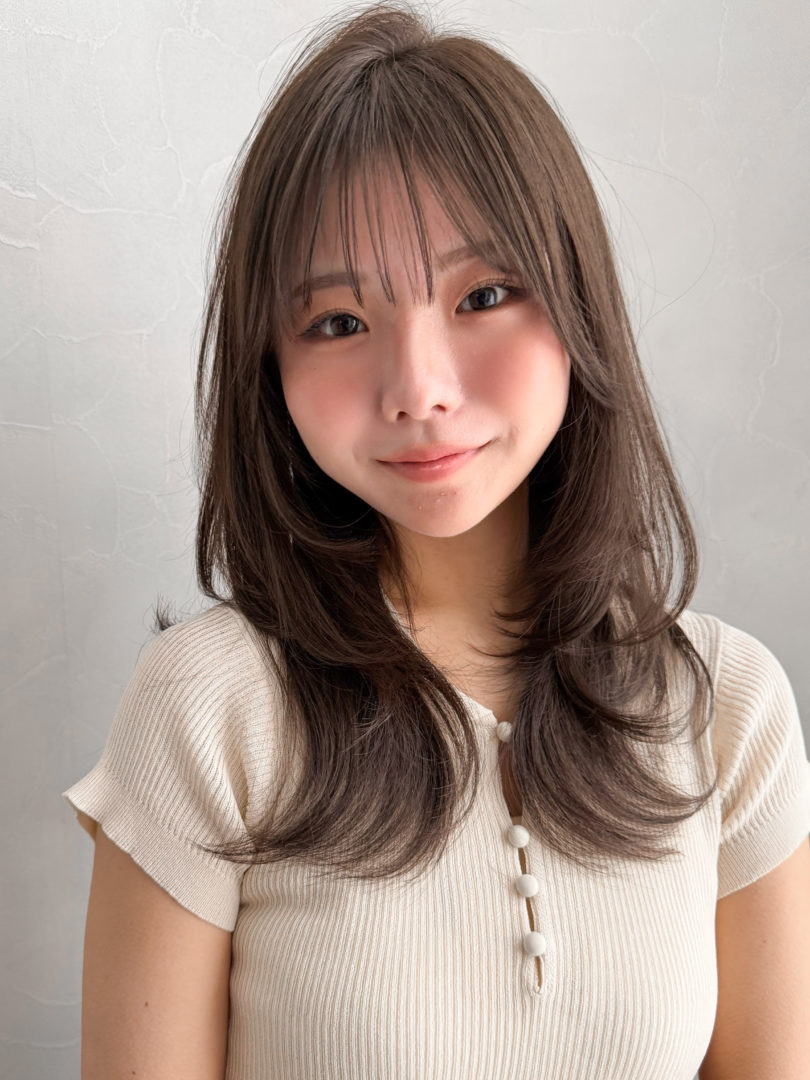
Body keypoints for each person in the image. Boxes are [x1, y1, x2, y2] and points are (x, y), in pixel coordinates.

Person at [62, 2, 810, 1077]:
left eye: (483, 295)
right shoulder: (208, 712)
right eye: (338, 322)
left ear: (578, 303)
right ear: (270, 364)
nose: (418, 390)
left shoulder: (729, 710)